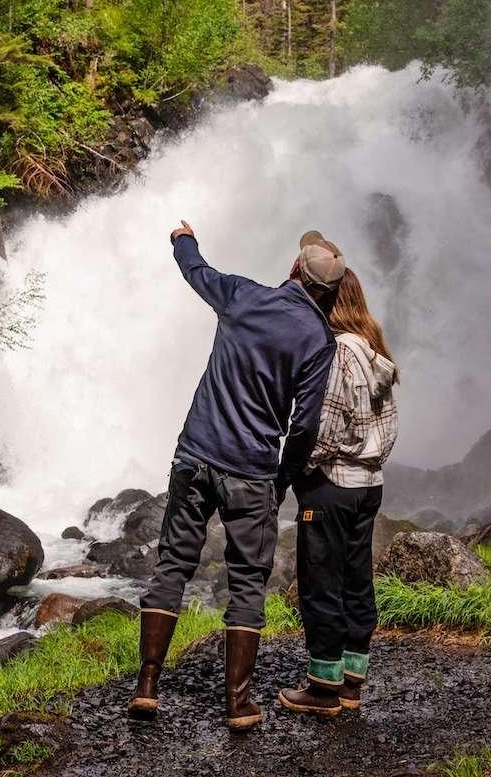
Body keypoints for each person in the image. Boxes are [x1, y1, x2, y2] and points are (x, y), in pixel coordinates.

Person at [128, 220, 344, 731]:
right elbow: (305, 423)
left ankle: (147, 687)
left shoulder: (243, 296)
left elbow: (195, 271)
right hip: (252, 472)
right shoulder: (318, 339)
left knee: (173, 566)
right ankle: (238, 703)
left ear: (295, 271)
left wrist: (184, 239)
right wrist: (283, 480)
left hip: (196, 454)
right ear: (330, 291)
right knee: (248, 582)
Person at [278, 267, 399, 717]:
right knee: (356, 580)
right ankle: (351, 681)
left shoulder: (338, 352)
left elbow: (322, 428)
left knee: (320, 584)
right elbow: (388, 428)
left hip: (333, 484)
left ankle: (323, 688)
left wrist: (299, 473)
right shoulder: (373, 349)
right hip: (369, 485)